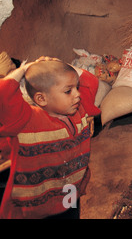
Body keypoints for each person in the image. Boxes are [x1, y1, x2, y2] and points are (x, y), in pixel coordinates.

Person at [0, 57, 100, 218]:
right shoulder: (26, 119)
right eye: (68, 91)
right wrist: (25, 69)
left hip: (69, 194)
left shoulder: (79, 110)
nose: (77, 95)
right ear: (41, 98)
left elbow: (91, 81)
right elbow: (3, 93)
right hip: (35, 206)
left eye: (76, 88)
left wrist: (61, 64)